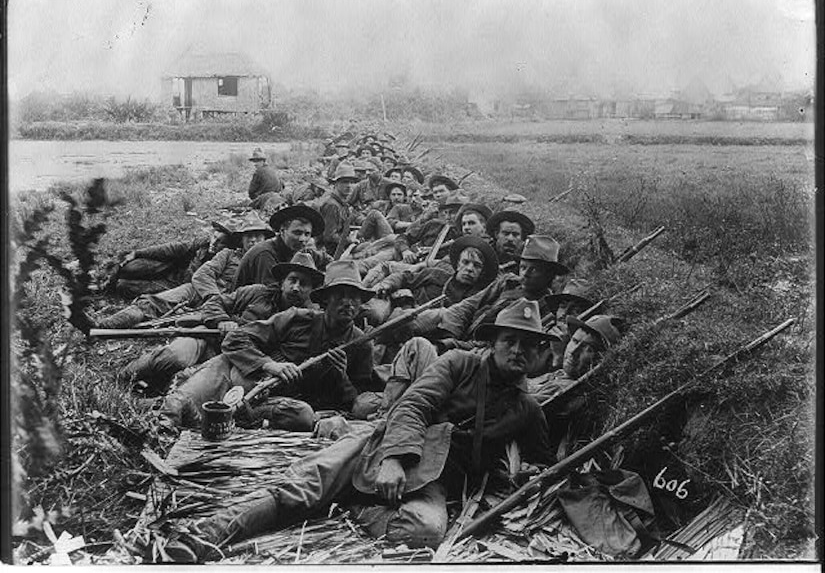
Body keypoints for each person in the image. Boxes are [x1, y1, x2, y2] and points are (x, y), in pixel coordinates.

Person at [160, 299, 553, 562]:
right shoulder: (459, 363)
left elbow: (545, 461)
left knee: (425, 531)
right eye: (510, 340)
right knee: (301, 490)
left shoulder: (526, 408)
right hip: (380, 445)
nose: (517, 350)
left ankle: (353, 506)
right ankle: (206, 533)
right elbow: (414, 405)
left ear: (538, 355)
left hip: (434, 479)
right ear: (494, 342)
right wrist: (395, 460)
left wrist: (531, 474)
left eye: (528, 345)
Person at [158, 260, 379, 433]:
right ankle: (164, 415)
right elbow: (235, 339)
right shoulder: (297, 318)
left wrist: (342, 377)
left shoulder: (360, 344)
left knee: (303, 416)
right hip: (240, 376)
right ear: (326, 299)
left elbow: (356, 402)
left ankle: (236, 416)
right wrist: (269, 365)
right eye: (340, 296)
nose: (348, 303)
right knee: (176, 407)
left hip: (278, 402)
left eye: (355, 298)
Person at [128, 251, 322, 396]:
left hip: (238, 362)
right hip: (208, 339)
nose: (296, 287)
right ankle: (126, 375)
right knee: (174, 358)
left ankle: (158, 398)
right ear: (282, 282)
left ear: (311, 290)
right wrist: (223, 320)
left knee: (200, 387)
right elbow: (214, 302)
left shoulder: (307, 321)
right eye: (292, 280)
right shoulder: (256, 292)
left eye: (303, 283)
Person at [95, 216, 271, 330]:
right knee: (151, 303)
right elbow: (202, 274)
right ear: (241, 239)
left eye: (258, 236)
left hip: (230, 305)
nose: (253, 240)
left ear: (265, 239)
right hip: (197, 290)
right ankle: (102, 325)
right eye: (249, 236)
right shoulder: (228, 254)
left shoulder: (266, 262)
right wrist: (215, 299)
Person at [407, 235, 570, 344]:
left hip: (480, 352)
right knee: (408, 323)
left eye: (534, 269)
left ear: (549, 274)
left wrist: (453, 346)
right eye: (523, 267)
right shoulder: (508, 282)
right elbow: (468, 305)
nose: (525, 274)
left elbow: (506, 344)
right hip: (458, 332)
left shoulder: (545, 308)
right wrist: (450, 335)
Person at [528, 314, 623, 459]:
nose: (573, 351)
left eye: (588, 349)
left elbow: (519, 405)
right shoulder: (561, 374)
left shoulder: (571, 390)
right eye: (574, 341)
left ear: (601, 359)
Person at [374, 235, 498, 307]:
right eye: (465, 263)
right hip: (401, 305)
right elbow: (404, 277)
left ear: (482, 272)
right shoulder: (438, 275)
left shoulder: (476, 298)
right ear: (458, 264)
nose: (470, 269)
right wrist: (387, 285)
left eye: (477, 266)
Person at [233, 205, 328, 288]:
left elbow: (325, 259)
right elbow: (270, 292)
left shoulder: (300, 249)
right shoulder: (265, 254)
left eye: (307, 234)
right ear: (282, 231)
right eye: (297, 233)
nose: (302, 239)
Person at [319, 163, 360, 256]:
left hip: (341, 247)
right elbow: (329, 236)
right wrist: (349, 240)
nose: (349, 185)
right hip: (333, 252)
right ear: (336, 184)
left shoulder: (342, 203)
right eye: (345, 182)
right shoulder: (332, 205)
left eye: (351, 182)